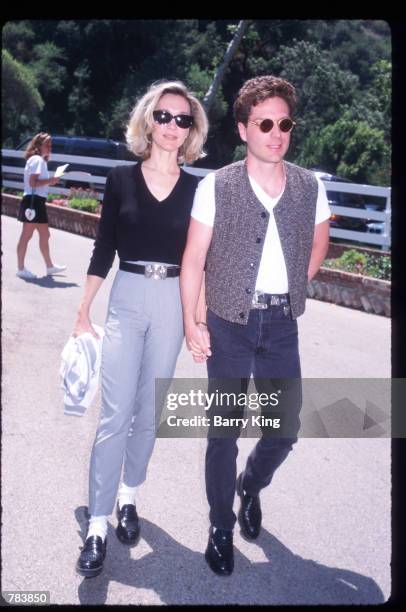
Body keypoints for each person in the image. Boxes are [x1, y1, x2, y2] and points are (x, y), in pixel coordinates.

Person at [180, 75, 331, 576]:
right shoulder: (215, 186)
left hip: (281, 324)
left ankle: (251, 485)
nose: (276, 132)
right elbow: (194, 257)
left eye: (284, 123)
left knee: (284, 429)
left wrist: (294, 287)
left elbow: (318, 243)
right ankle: (220, 528)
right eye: (265, 123)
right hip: (227, 322)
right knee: (223, 432)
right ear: (244, 129)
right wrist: (192, 321)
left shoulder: (310, 186)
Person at [74, 80, 208, 578]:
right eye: (165, 116)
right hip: (127, 298)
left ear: (192, 129)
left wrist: (197, 319)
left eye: (183, 119)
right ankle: (98, 524)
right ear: (148, 120)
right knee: (115, 412)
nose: (173, 127)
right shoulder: (120, 179)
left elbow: (203, 261)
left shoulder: (200, 188)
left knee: (151, 410)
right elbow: (103, 248)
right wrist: (83, 311)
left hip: (174, 300)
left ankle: (130, 495)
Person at [16, 132, 67, 278]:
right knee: (26, 235)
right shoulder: (38, 160)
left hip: (36, 201)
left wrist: (50, 180)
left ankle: (50, 266)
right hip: (34, 201)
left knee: (45, 234)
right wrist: (51, 180)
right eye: (47, 144)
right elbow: (33, 183)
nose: (50, 147)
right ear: (39, 145)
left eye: (51, 145)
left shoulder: (38, 160)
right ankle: (21, 269)